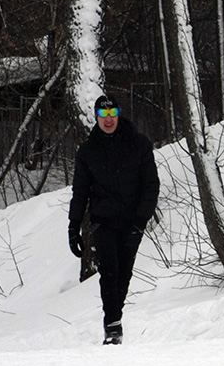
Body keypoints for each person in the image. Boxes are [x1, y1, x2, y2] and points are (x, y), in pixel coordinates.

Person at [68, 94, 160, 345]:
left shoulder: (138, 144)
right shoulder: (88, 151)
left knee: (124, 272)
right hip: (103, 221)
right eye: (103, 115)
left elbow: (150, 185)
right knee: (109, 272)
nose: (108, 120)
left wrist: (141, 219)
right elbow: (80, 192)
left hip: (132, 221)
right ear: (96, 117)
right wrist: (73, 227)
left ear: (118, 115)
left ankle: (114, 318)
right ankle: (113, 326)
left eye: (112, 114)